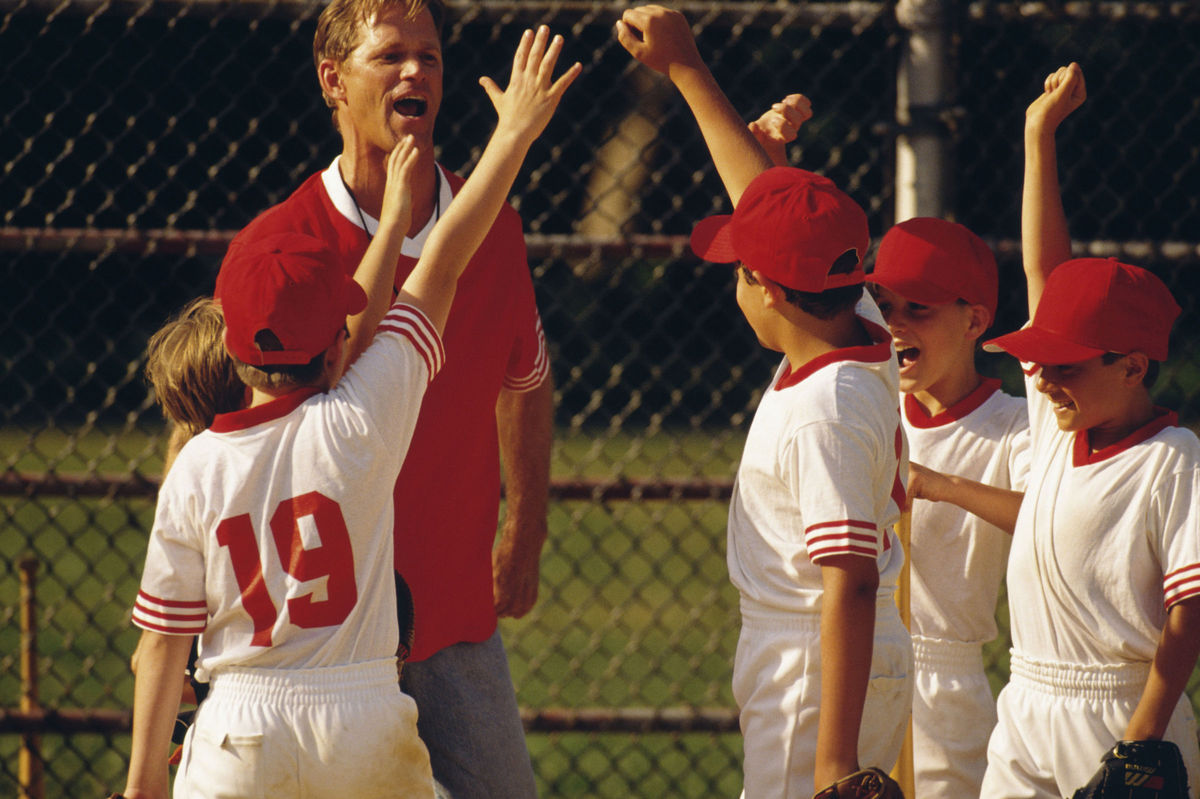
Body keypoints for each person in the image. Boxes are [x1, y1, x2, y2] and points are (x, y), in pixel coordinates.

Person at [120, 28, 578, 799]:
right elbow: (434, 272)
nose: (416, 70)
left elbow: (157, 638)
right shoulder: (348, 383)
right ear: (332, 80)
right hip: (354, 679)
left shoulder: (201, 469)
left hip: (392, 642)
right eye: (390, 55)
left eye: (429, 54)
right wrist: (516, 136)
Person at [616, 7, 912, 797]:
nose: (733, 280)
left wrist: (832, 761)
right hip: (827, 653)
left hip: (814, 664)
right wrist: (687, 71)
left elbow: (847, 577)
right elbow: (770, 217)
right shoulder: (860, 323)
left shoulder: (825, 408)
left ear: (773, 290)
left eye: (741, 268)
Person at [937, 62, 1200, 798]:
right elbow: (1044, 272)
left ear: (1134, 365)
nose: (1045, 379)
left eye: (1068, 366)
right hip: (1027, 699)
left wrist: (1141, 737)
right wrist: (1037, 137)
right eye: (1040, 364)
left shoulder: (1171, 460)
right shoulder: (1060, 425)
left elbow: (1191, 612)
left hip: (1121, 711)